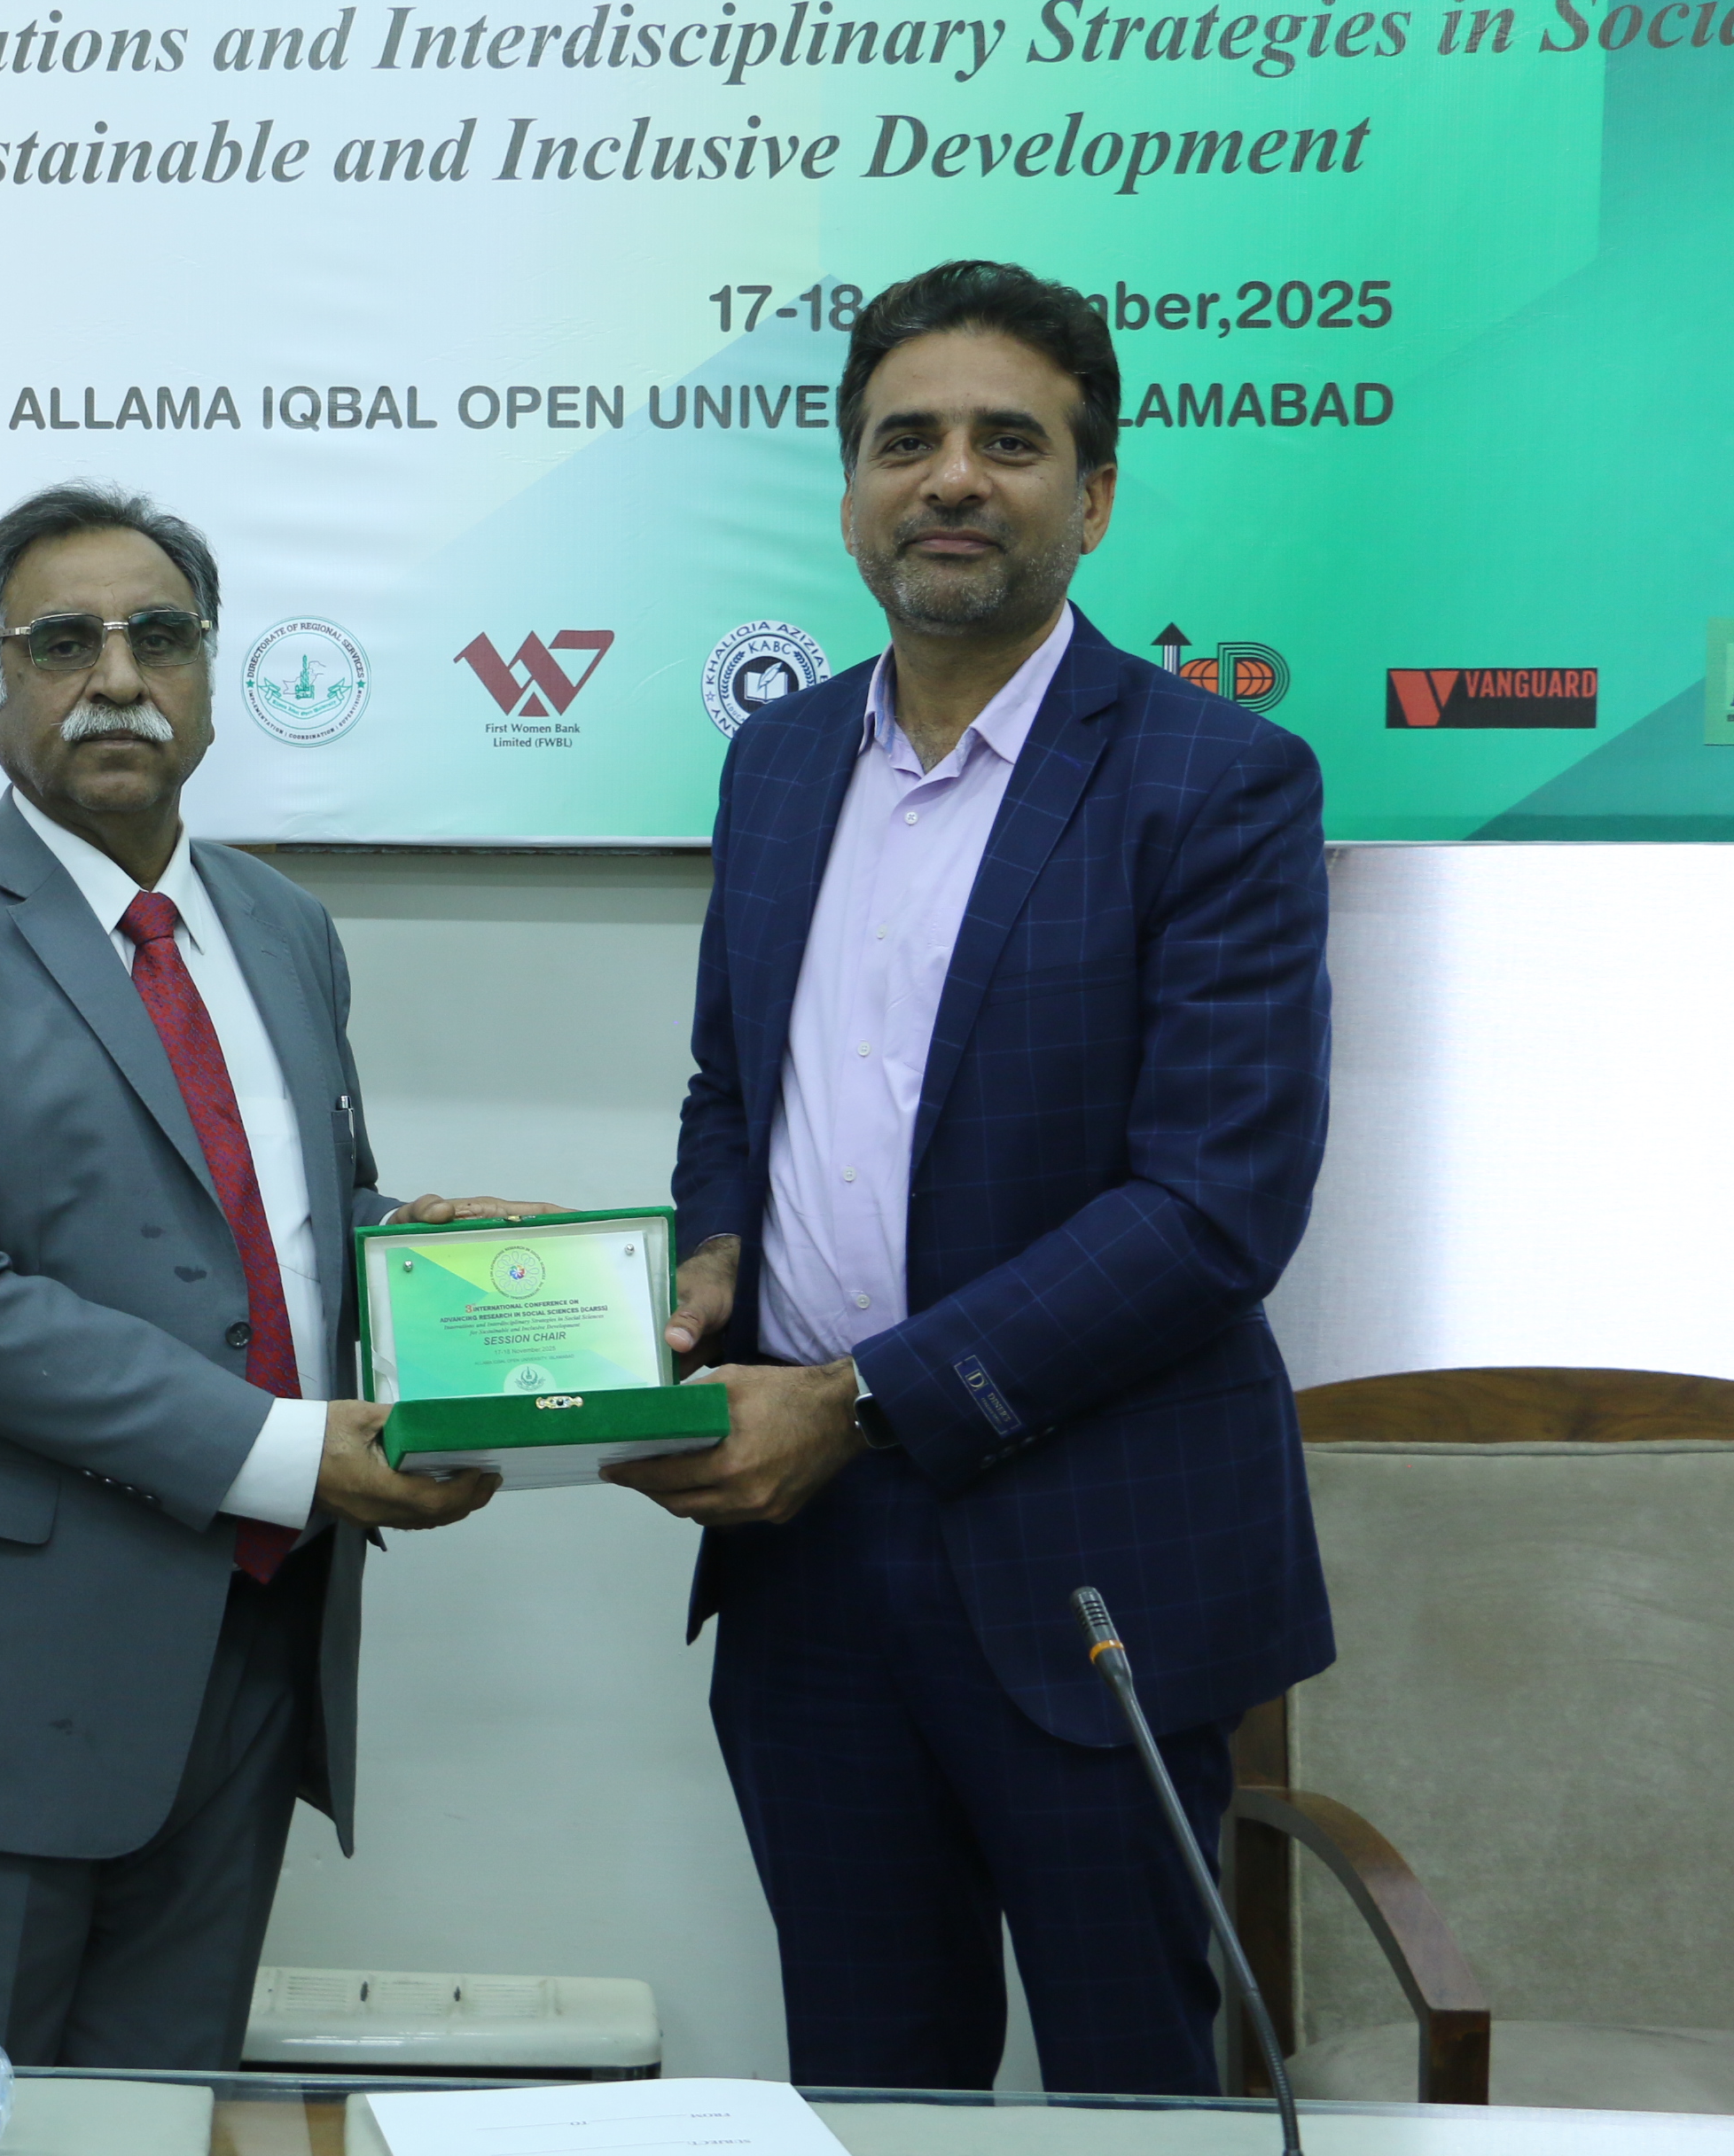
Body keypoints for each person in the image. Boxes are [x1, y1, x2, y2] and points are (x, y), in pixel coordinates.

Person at [613, 261, 1335, 2095]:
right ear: (851, 491)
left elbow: (1213, 1210)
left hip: (1097, 1555)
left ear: (1093, 497)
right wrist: (712, 1253)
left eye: (1008, 443)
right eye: (904, 441)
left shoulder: (1220, 780)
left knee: (1132, 2097)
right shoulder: (780, 762)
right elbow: (732, 1085)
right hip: (808, 1564)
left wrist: (857, 1400)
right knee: (870, 2082)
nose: (950, 478)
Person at [0, 482, 542, 2069]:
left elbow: (273, 1224)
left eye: (160, 637)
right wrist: (285, 1452)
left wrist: (457, 1274)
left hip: (247, 1658)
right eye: (64, 643)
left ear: (210, 677)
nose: (119, 677)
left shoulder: (282, 925)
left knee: (158, 2120)